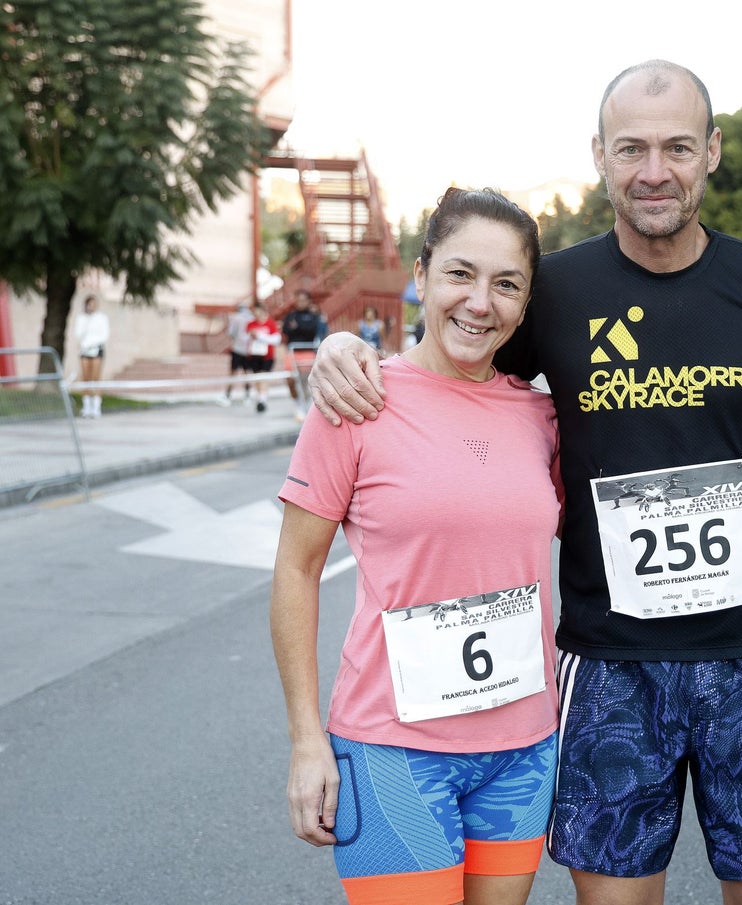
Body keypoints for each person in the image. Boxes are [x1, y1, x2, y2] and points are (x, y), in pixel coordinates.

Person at [306, 60, 742, 905]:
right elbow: (459, 355)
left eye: (678, 147)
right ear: (600, 156)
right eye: (633, 148)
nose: (656, 170)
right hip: (611, 659)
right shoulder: (555, 289)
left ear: (712, 152)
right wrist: (346, 351)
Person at [270, 188, 561, 905]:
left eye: (506, 284)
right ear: (422, 275)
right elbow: (296, 568)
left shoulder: (545, 417)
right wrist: (307, 741)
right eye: (460, 273)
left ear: (525, 305)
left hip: (523, 745)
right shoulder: (357, 401)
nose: (480, 302)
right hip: (392, 747)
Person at [74, 293, 110, 418]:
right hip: (85, 350)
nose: (92, 307)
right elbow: (78, 334)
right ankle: (87, 407)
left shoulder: (101, 318)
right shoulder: (82, 318)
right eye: (90, 304)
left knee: (96, 378)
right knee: (86, 378)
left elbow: (104, 335)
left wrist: (91, 343)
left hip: (96, 350)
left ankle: (96, 407)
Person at [245, 302, 281, 413]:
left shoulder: (270, 323)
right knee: (257, 378)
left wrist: (260, 336)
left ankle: (262, 399)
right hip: (254, 354)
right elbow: (245, 338)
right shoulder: (251, 324)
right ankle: (260, 397)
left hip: (267, 355)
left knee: (264, 377)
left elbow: (276, 339)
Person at [222, 300, 253, 405]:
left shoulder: (236, 318)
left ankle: (228, 395)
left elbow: (231, 333)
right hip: (248, 349)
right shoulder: (252, 318)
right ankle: (248, 395)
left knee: (233, 373)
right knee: (247, 373)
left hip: (238, 348)